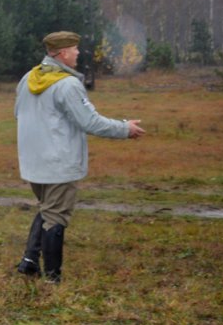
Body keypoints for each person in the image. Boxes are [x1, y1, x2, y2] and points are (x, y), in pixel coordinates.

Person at [14, 30, 145, 283]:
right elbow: (90, 122)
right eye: (74, 49)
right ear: (62, 53)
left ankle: (29, 262)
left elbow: (19, 114)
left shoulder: (26, 79)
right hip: (60, 164)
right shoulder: (68, 84)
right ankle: (53, 279)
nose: (78, 53)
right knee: (56, 216)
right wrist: (124, 128)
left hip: (33, 163)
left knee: (47, 209)